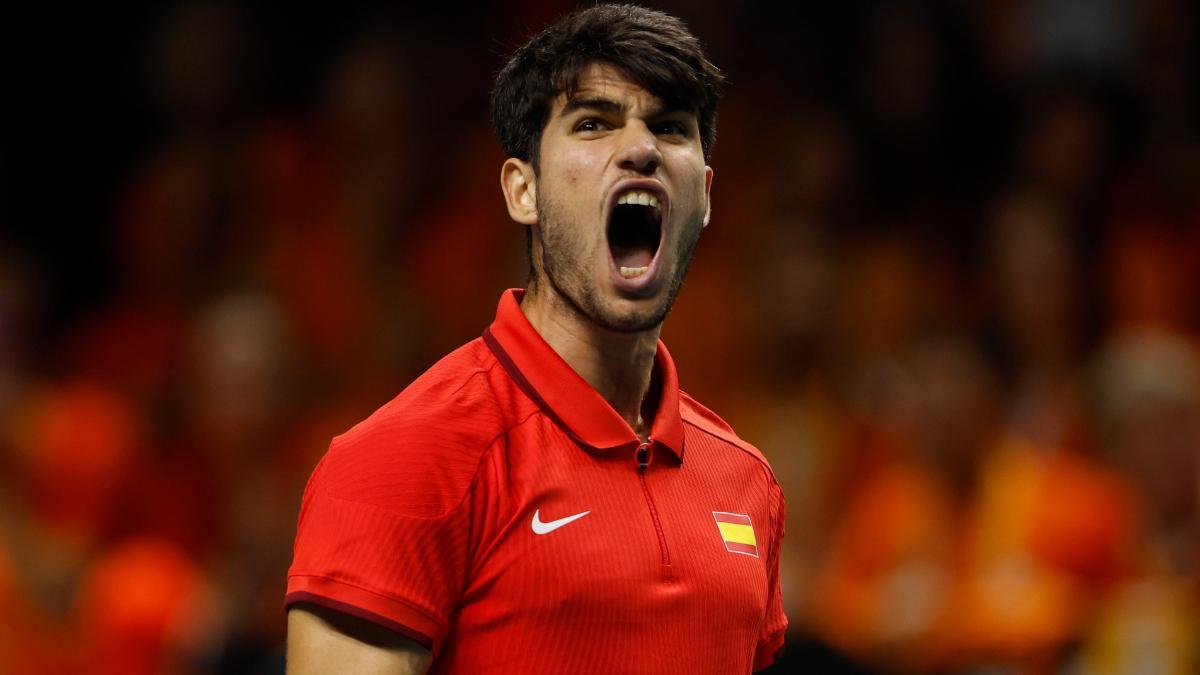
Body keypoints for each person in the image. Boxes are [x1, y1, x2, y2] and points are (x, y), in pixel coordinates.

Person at [284, 5, 787, 674]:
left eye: (669, 128)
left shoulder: (747, 482)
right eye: (593, 124)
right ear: (524, 190)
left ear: (705, 194)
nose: (640, 148)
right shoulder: (403, 459)